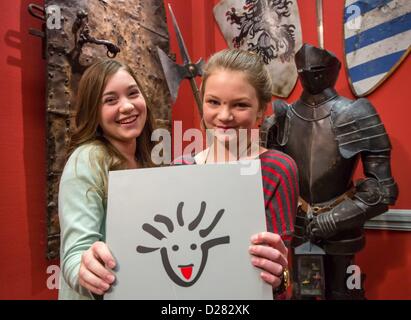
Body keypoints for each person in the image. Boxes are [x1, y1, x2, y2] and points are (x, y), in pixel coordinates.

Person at [265, 44, 398, 299]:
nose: (310, 72)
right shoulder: (281, 116)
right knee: (303, 294)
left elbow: (382, 190)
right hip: (297, 225)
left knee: (345, 293)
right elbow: (267, 178)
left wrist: (335, 218)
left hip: (342, 227)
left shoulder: (356, 113)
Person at [175, 49, 299, 297]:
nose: (224, 116)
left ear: (261, 110)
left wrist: (279, 278)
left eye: (240, 105)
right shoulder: (180, 168)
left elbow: (281, 275)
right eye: (213, 102)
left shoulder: (277, 169)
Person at [58, 59, 156, 299]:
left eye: (133, 94)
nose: (127, 107)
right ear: (94, 112)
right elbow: (75, 254)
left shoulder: (145, 159)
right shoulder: (88, 159)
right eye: (111, 100)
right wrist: (85, 269)